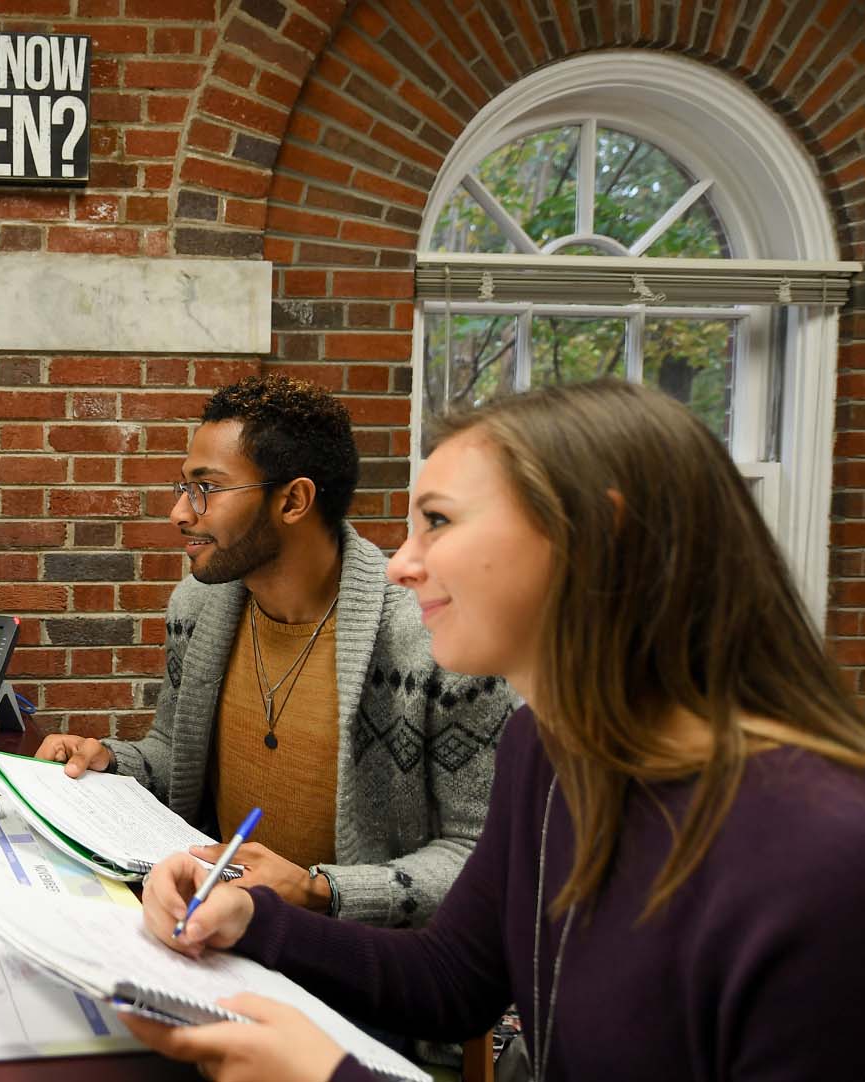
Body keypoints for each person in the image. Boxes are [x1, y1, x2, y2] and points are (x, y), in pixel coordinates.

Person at [129, 381, 865, 1081]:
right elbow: (454, 979)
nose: (400, 569)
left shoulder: (822, 860)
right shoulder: (547, 750)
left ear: (593, 535)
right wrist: (250, 919)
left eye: (439, 522)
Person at [38, 375, 513, 927]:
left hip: (375, 970)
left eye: (205, 488)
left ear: (293, 500)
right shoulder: (197, 607)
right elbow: (177, 759)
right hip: (222, 937)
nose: (180, 513)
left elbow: (481, 857)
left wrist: (318, 891)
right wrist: (111, 762)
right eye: (183, 488)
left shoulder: (436, 644)